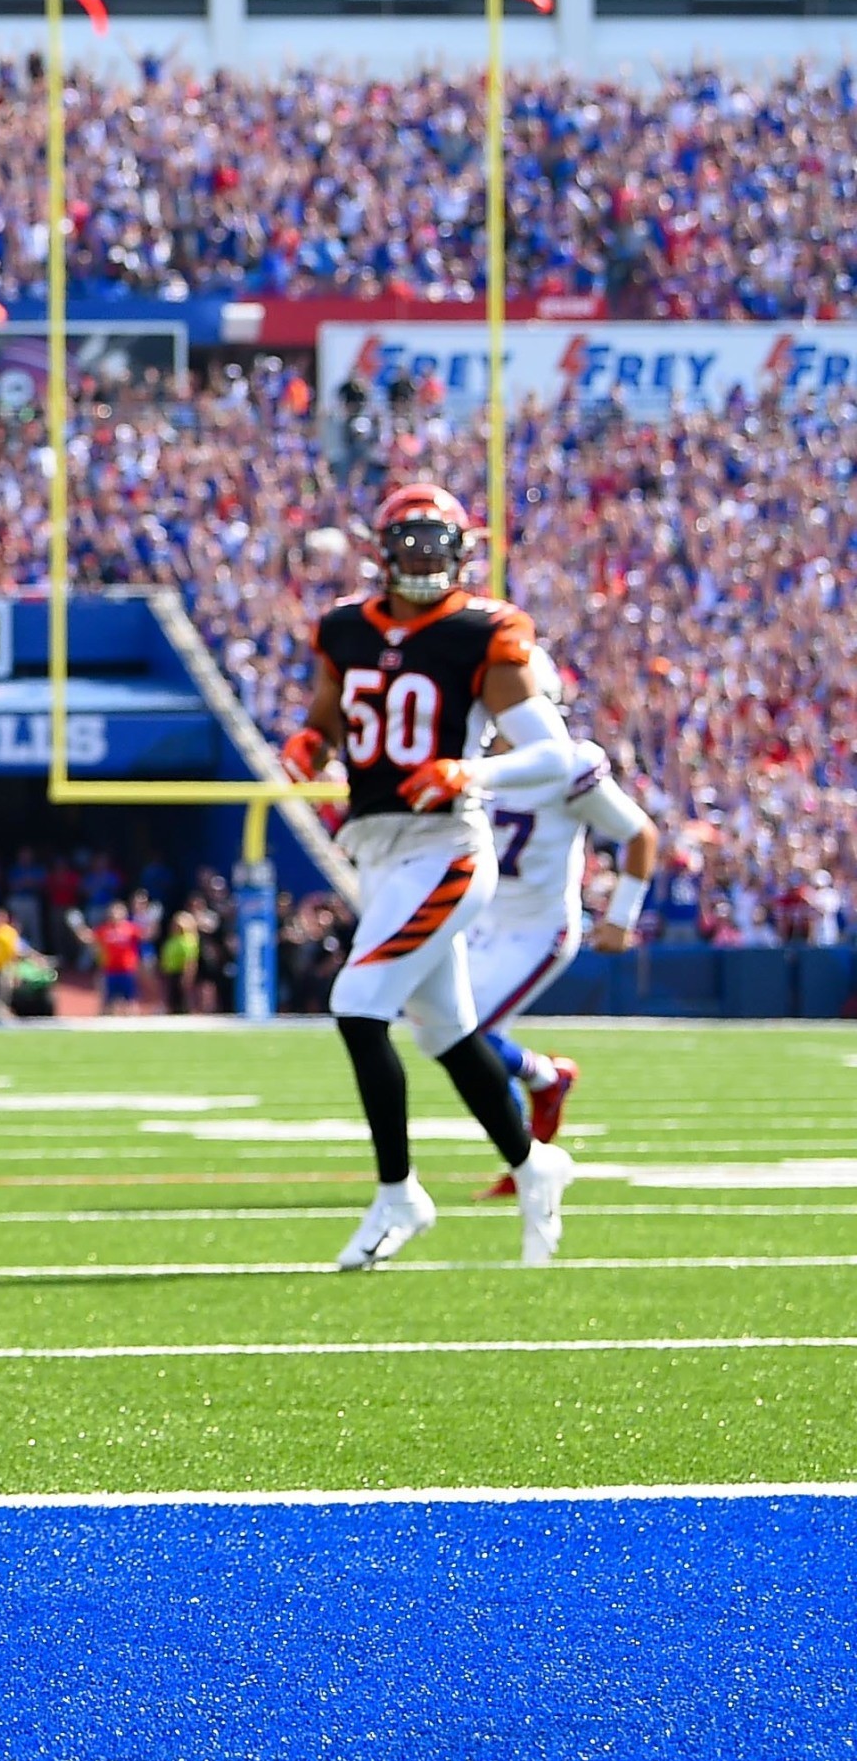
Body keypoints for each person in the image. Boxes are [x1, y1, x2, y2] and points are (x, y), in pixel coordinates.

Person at [279, 484, 588, 1271]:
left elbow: (559, 754)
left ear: (461, 551)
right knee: (449, 1032)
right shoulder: (345, 627)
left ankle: (398, 1194)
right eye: (406, 544)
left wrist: (468, 771)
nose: (420, 558)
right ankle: (533, 1161)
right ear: (381, 551)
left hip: (448, 847)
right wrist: (309, 745)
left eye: (433, 544)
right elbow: (327, 715)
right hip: (378, 847)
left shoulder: (482, 632)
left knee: (356, 1002)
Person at [464, 699, 662, 1161]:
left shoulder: (567, 766)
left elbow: (640, 835)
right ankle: (545, 1085)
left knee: (467, 1035)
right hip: (479, 920)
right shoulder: (473, 760)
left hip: (538, 928)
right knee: (444, 1028)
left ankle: (530, 1142)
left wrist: (619, 920)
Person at [91, 899, 144, 1014]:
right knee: (107, 1002)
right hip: (110, 970)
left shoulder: (131, 928)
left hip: (127, 970)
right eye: (113, 911)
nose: (115, 914)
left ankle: (135, 1027)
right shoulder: (103, 929)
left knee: (131, 1001)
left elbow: (146, 936)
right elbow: (92, 940)